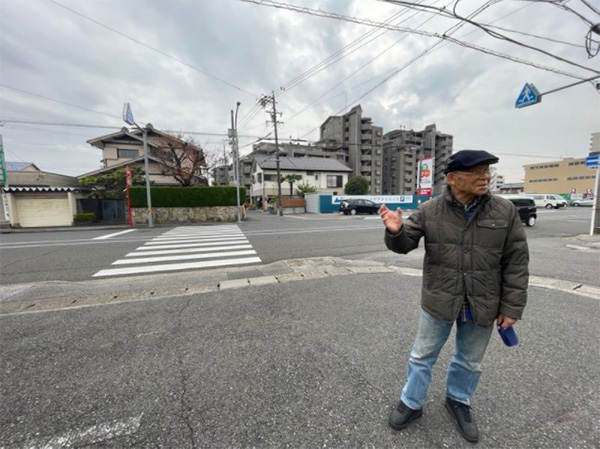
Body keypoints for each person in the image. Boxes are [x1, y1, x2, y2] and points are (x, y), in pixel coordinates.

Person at [379, 150, 529, 443]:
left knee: (470, 361)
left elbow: (517, 261)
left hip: (483, 301)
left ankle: (458, 400)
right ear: (452, 178)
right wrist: (395, 232)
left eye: (487, 171)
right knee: (421, 356)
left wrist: (512, 307)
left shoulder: (504, 211)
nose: (485, 177)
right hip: (439, 299)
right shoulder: (430, 210)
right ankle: (412, 402)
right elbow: (404, 243)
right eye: (476, 172)